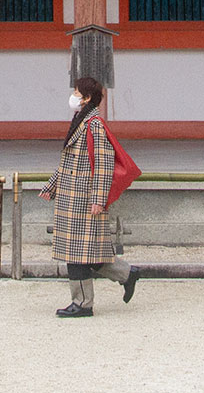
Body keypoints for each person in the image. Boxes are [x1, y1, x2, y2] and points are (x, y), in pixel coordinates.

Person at [40, 75, 139, 317]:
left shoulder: (93, 124)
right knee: (83, 252)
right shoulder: (81, 120)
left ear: (86, 98)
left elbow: (103, 165)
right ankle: (126, 274)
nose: (72, 97)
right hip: (72, 195)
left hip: (84, 198)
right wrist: (52, 186)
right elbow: (70, 161)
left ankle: (83, 303)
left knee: (77, 254)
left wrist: (98, 199)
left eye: (76, 92)